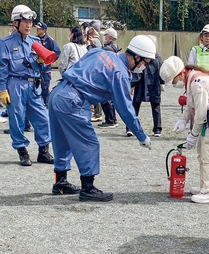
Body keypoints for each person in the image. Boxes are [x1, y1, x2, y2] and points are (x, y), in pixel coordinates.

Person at [48, 35, 156, 202]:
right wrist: (141, 135)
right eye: (145, 62)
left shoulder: (101, 52)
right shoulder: (120, 72)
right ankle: (88, 188)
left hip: (58, 91)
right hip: (74, 99)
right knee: (89, 142)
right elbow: (125, 109)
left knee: (61, 140)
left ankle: (60, 182)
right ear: (137, 56)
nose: (143, 67)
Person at [160, 56, 209, 204]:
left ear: (180, 74)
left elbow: (200, 112)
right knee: (203, 152)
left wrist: (192, 134)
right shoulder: (192, 80)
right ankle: (205, 185)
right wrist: (183, 119)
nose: (174, 84)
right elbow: (192, 106)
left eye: (173, 81)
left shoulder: (197, 83)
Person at [0, 5, 54, 166]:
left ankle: (43, 151)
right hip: (15, 84)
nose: (29, 25)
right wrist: (2, 89)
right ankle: (22, 151)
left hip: (33, 85)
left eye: (30, 21)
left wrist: (40, 61)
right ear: (15, 23)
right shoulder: (6, 43)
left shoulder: (35, 42)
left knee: (43, 118)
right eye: (24, 21)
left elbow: (43, 66)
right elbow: (2, 67)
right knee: (16, 119)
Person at [126, 36, 164, 137]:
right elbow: (137, 72)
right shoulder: (142, 56)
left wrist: (162, 83)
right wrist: (132, 84)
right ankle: (130, 127)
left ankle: (157, 129)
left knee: (155, 106)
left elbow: (162, 73)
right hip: (141, 84)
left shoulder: (157, 59)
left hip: (153, 85)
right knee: (135, 105)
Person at [98, 27, 121, 129]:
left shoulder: (107, 49)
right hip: (112, 74)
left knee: (105, 98)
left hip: (106, 75)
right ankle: (112, 119)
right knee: (110, 98)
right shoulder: (115, 47)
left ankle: (110, 120)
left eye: (105, 35)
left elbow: (99, 58)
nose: (104, 37)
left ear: (110, 37)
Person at [35, 21, 61, 106]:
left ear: (44, 30)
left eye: (39, 29)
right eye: (37, 28)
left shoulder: (50, 40)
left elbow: (57, 52)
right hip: (35, 68)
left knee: (45, 87)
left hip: (45, 68)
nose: (37, 30)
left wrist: (49, 61)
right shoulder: (35, 39)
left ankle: (46, 103)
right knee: (33, 87)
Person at [86, 20, 103, 122]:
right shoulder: (96, 40)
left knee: (95, 91)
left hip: (95, 69)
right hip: (96, 68)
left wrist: (89, 45)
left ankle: (97, 113)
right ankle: (97, 113)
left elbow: (94, 54)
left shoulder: (95, 40)